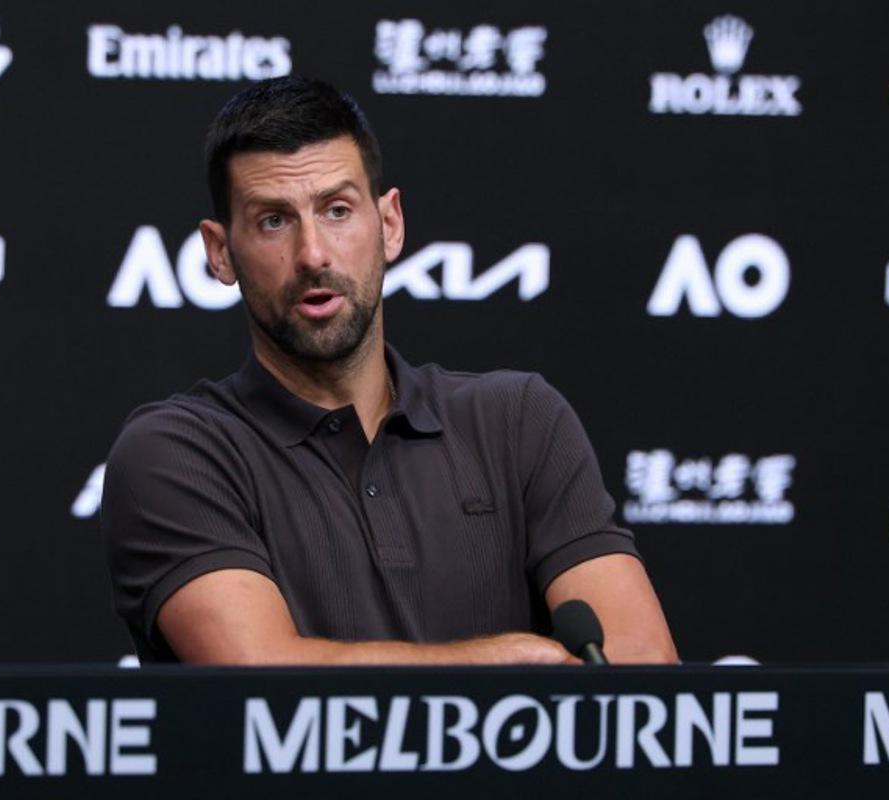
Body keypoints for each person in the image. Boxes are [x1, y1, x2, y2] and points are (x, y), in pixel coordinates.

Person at [102, 76, 678, 666]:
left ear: (391, 224)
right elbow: (260, 679)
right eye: (274, 220)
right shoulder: (176, 453)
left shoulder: (519, 420)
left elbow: (641, 662)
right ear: (220, 252)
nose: (313, 254)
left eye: (337, 210)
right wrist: (503, 665)